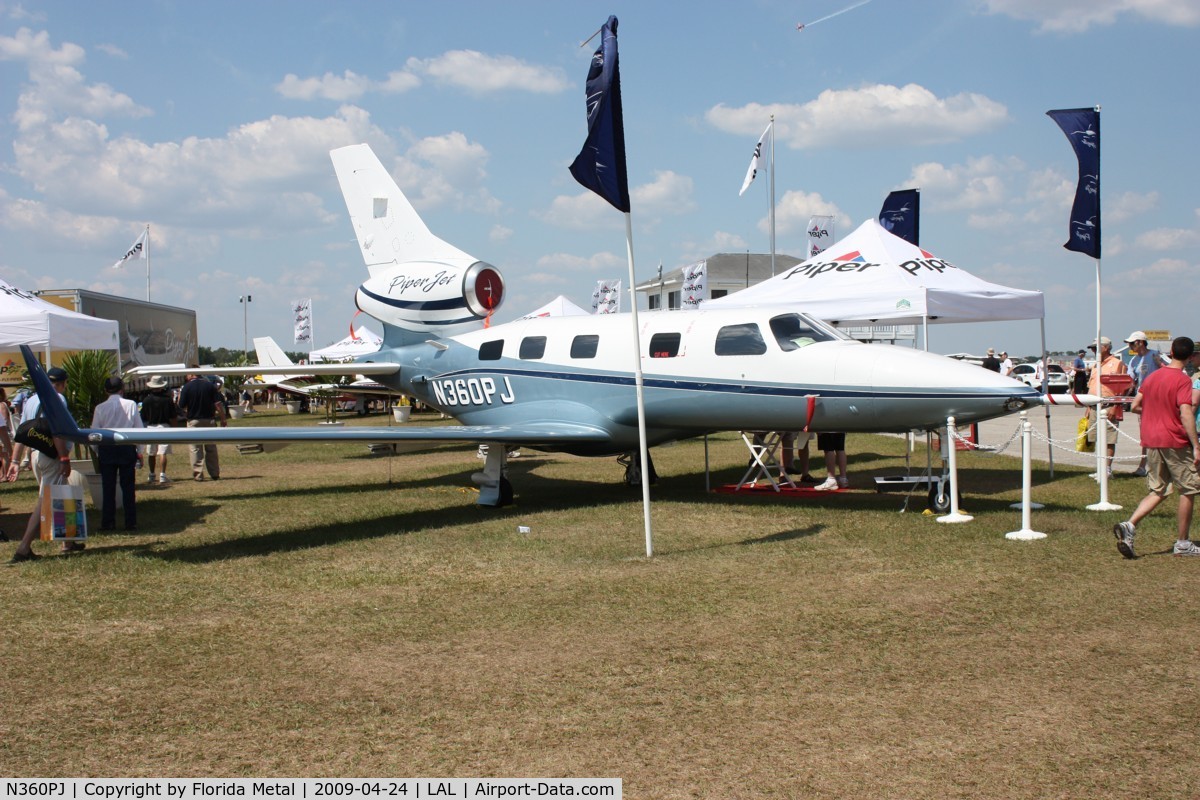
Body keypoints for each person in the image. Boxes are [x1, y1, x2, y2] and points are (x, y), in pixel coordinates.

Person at [1112, 336, 1200, 558]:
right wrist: (1196, 445)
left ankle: (1130, 525)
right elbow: (1186, 412)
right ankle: (1183, 543)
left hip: (1151, 439)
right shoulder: (1183, 380)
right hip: (1174, 441)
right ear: (1190, 357)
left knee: (1158, 490)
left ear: (1170, 351)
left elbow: (1135, 405)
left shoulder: (1152, 378)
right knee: (1188, 489)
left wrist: (1157, 412)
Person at [6, 366, 75, 563]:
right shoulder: (58, 399)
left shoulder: (31, 400)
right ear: (62, 384)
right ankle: (23, 548)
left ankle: (69, 540)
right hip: (51, 455)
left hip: (36, 455)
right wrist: (64, 457)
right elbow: (57, 431)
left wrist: (15, 461)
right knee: (45, 502)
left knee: (62, 494)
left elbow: (22, 432)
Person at [91, 376, 143, 531]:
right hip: (126, 446)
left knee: (108, 488)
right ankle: (130, 522)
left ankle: (108, 522)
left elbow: (94, 432)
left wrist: (97, 451)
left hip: (107, 448)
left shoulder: (100, 408)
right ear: (122, 389)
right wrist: (139, 451)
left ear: (106, 390)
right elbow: (138, 429)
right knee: (128, 487)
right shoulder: (131, 405)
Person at [1087, 336, 1129, 479]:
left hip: (1109, 405)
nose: (1093, 351)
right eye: (1092, 348)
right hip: (1093, 406)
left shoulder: (1117, 364)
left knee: (1109, 438)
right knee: (1096, 438)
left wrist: (1115, 406)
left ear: (1105, 348)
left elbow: (1124, 387)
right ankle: (1100, 467)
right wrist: (1088, 407)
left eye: (1095, 348)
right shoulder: (1095, 365)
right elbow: (1091, 385)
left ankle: (1107, 469)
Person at [1126, 331, 1167, 477]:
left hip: (1159, 398)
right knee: (1145, 432)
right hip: (1143, 399)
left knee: (1161, 430)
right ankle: (1144, 466)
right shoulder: (1133, 361)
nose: (1130, 346)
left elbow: (1171, 370)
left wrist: (1160, 364)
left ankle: (1160, 465)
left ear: (1141, 342)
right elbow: (1130, 381)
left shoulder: (1155, 354)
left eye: (1132, 343)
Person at [178, 370, 227, 481]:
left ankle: (198, 474)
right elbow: (218, 404)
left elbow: (181, 405)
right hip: (209, 420)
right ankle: (214, 473)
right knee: (211, 448)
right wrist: (223, 418)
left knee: (195, 448)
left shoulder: (187, 387)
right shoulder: (210, 386)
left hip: (194, 420)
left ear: (191, 374)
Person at [139, 374, 177, 484]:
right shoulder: (167, 400)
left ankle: (151, 474)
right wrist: (174, 428)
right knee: (162, 452)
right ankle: (162, 475)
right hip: (164, 426)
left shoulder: (146, 400)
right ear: (162, 386)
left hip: (151, 427)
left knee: (151, 453)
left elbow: (143, 417)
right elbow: (173, 416)